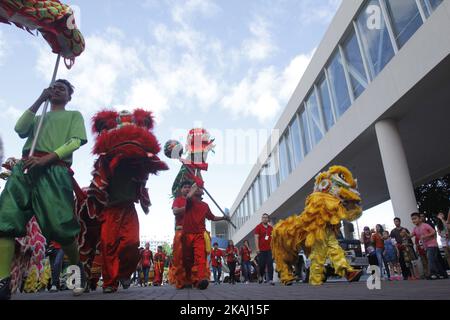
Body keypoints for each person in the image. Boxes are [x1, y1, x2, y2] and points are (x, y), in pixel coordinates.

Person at [0, 80, 88, 300]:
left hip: (55, 169)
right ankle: (3, 281)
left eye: (63, 88)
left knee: (60, 228)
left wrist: (47, 159)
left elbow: (76, 141)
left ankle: (77, 271)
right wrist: (40, 99)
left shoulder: (73, 115)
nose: (57, 89)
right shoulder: (38, 118)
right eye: (54, 86)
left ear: (69, 96)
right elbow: (20, 129)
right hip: (26, 168)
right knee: (5, 220)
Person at [182, 183, 230, 290]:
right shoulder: (190, 201)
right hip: (187, 234)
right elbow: (189, 196)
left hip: (200, 234)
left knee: (201, 258)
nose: (198, 189)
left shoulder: (205, 205)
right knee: (187, 259)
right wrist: (195, 185)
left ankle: (201, 279)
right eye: (196, 188)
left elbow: (212, 217)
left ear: (203, 192)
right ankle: (188, 279)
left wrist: (223, 217)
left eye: (200, 188)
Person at [410, 212, 447, 280]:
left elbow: (433, 232)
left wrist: (425, 236)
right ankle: (443, 274)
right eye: (412, 219)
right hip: (426, 246)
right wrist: (405, 234)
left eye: (415, 218)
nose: (414, 220)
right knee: (435, 260)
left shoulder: (425, 225)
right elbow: (410, 235)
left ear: (420, 219)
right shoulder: (415, 228)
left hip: (432, 244)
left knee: (430, 258)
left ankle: (433, 274)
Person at [171, 180, 192, 289]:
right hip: (180, 232)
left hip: (192, 232)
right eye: (185, 187)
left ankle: (189, 280)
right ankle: (180, 282)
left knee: (190, 257)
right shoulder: (177, 200)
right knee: (179, 257)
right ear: (181, 189)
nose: (187, 189)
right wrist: (187, 208)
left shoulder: (195, 201)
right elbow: (175, 211)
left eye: (189, 187)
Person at [254, 213, 275, 285]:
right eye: (263, 217)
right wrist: (257, 248)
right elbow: (256, 238)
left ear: (268, 219)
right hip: (261, 250)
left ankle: (271, 279)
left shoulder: (270, 228)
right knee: (262, 265)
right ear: (262, 219)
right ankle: (261, 276)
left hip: (269, 249)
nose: (265, 219)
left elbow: (273, 238)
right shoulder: (258, 227)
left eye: (266, 218)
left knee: (270, 264)